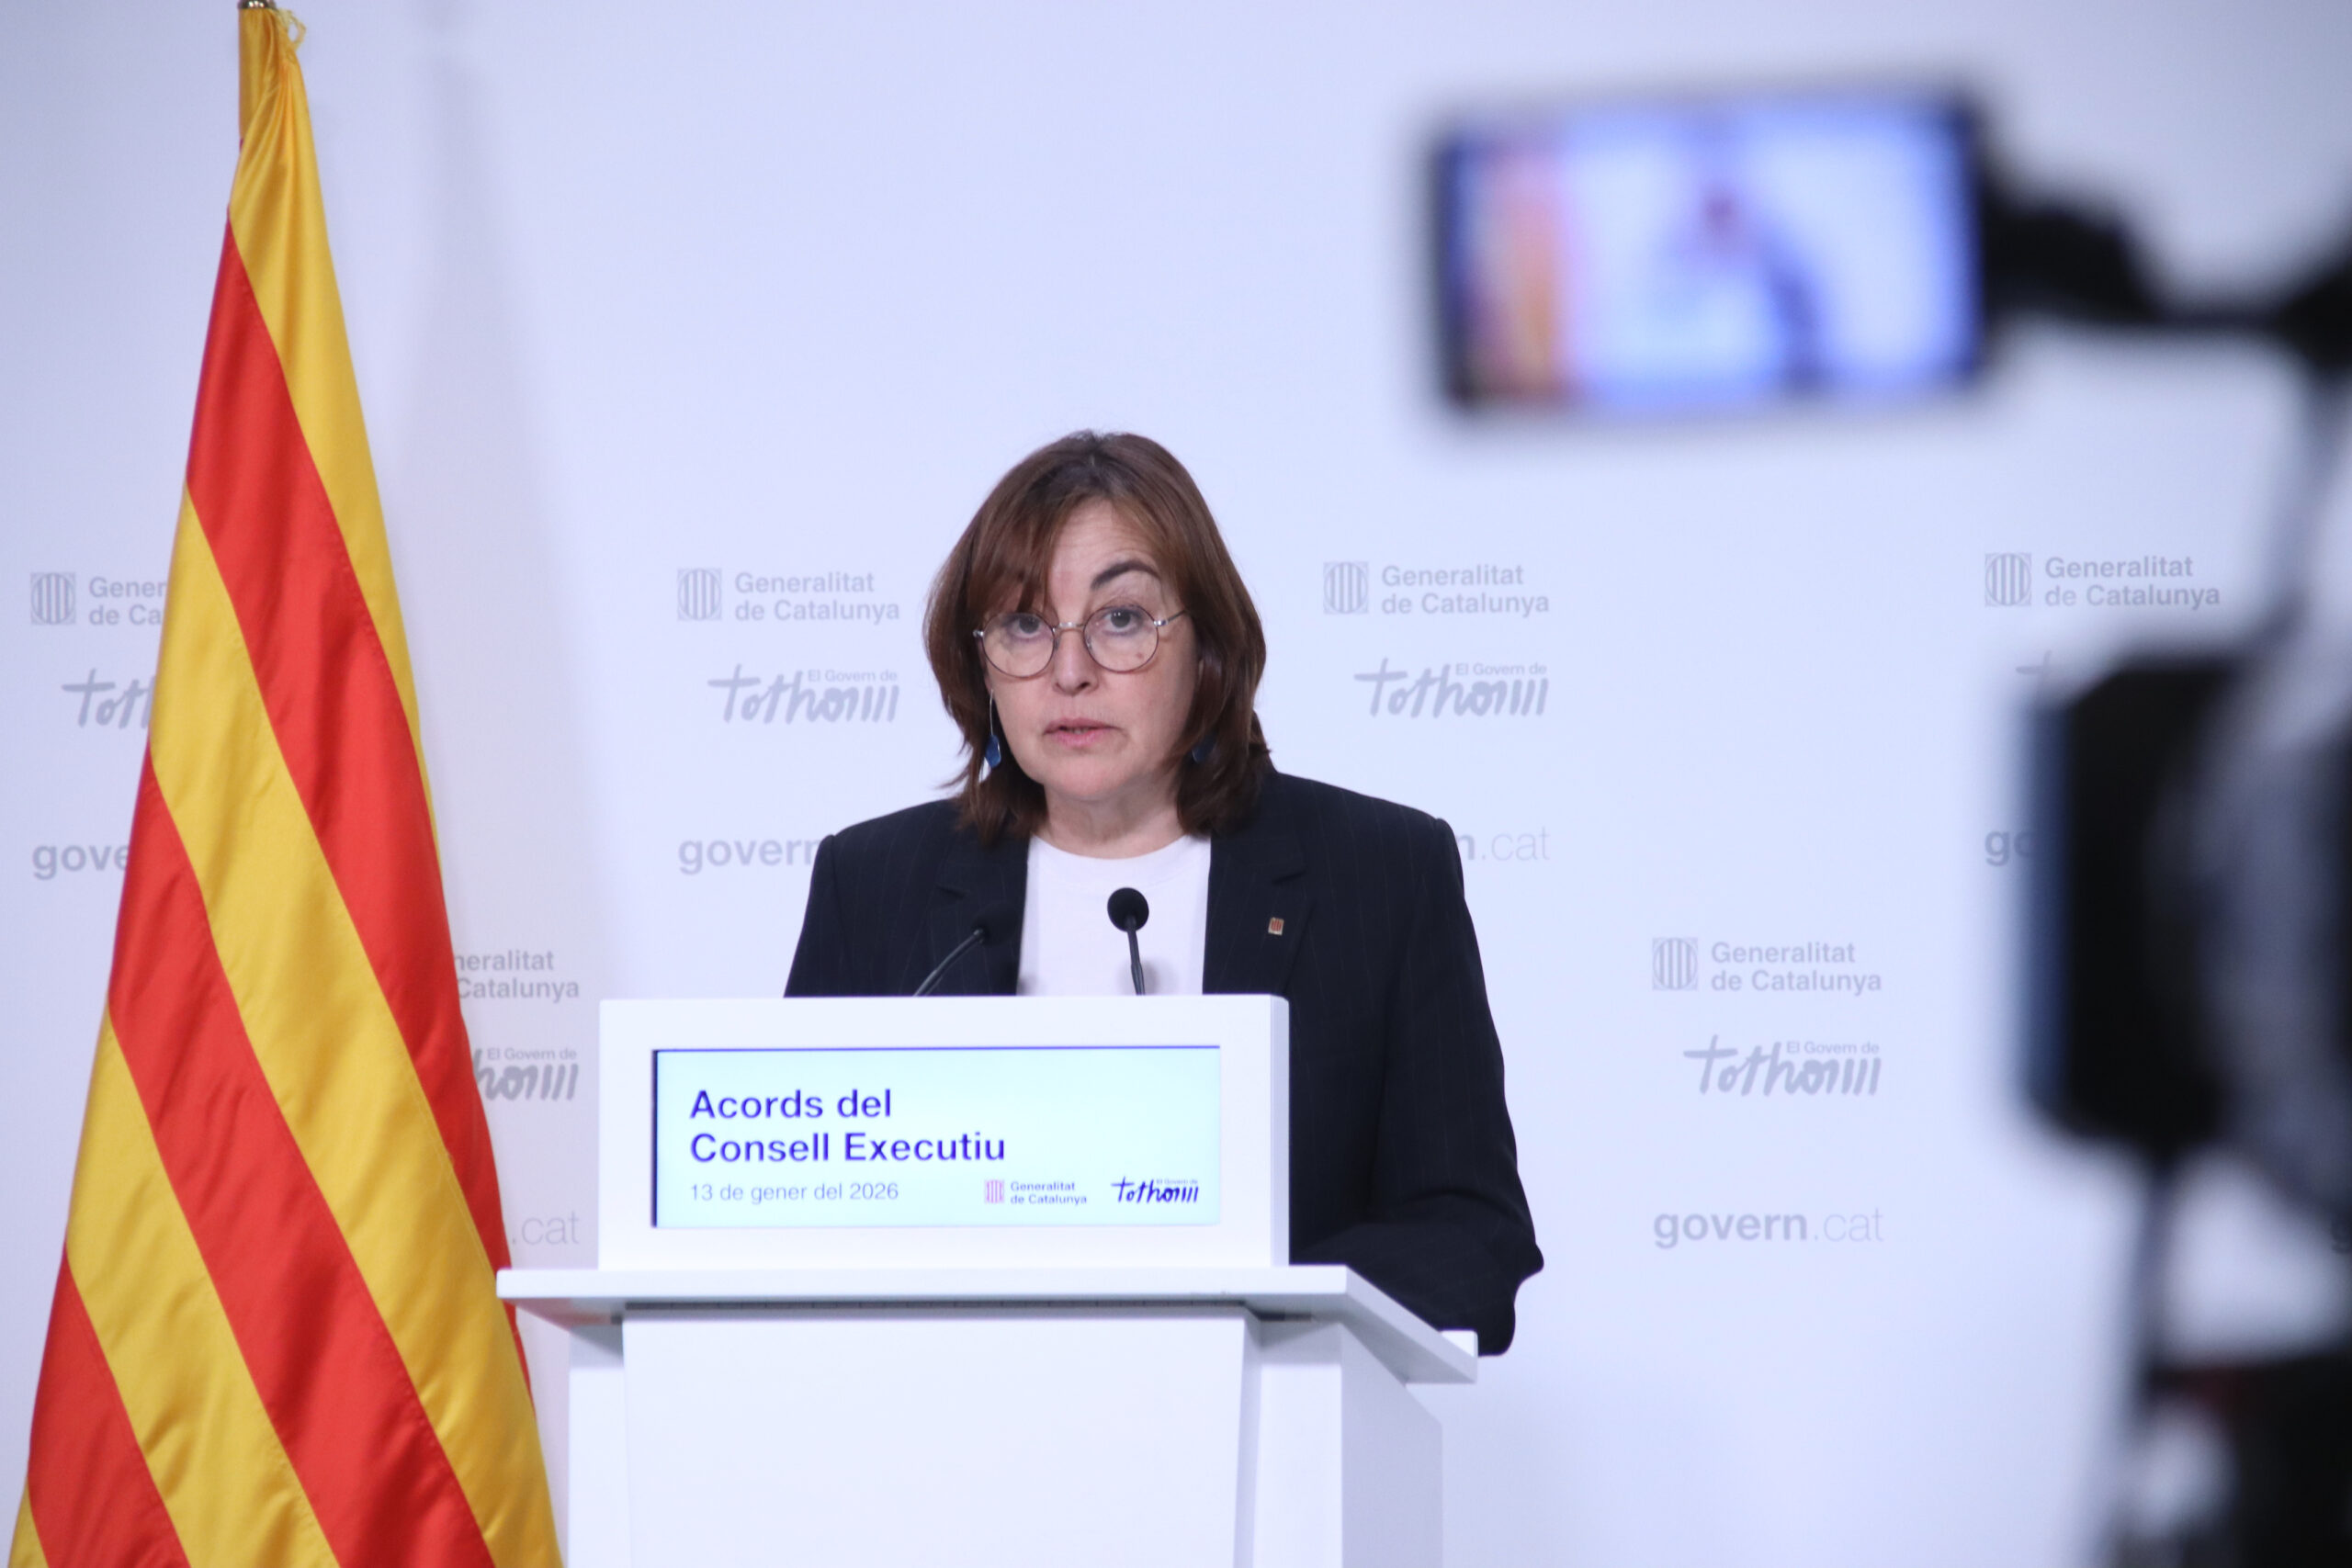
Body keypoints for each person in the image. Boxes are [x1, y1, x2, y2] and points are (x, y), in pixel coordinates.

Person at [786, 432, 1543, 1351]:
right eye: (1023, 624)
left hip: (1262, 1412)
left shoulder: (1380, 872)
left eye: (1121, 619)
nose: (1069, 671)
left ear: (1208, 648)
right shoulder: (875, 886)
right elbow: (790, 1220)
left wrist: (1240, 1314)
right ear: (978, 664)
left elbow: (1470, 1237)